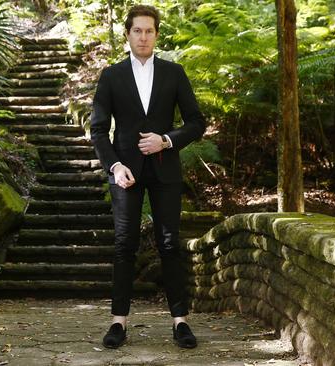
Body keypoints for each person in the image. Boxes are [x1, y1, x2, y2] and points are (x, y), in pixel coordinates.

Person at [90, 4, 206, 350]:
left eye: (149, 30)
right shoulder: (111, 76)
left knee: (170, 244)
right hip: (125, 173)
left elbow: (196, 122)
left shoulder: (174, 73)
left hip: (165, 169)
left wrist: (166, 140)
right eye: (137, 30)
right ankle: (118, 323)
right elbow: (98, 130)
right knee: (124, 245)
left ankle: (180, 322)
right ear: (127, 34)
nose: (143, 36)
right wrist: (114, 166)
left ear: (157, 34)